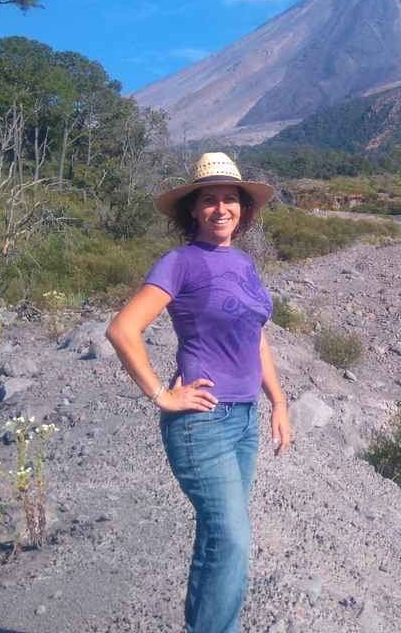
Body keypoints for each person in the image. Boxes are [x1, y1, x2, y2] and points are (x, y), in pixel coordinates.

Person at [107, 152, 290, 633]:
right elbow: (124, 330)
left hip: (245, 421)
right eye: (210, 199)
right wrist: (161, 396)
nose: (222, 208)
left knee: (217, 538)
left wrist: (279, 401)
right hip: (202, 423)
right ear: (193, 209)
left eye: (230, 198)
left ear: (243, 209)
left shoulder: (244, 262)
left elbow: (257, 336)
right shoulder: (180, 262)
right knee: (232, 540)